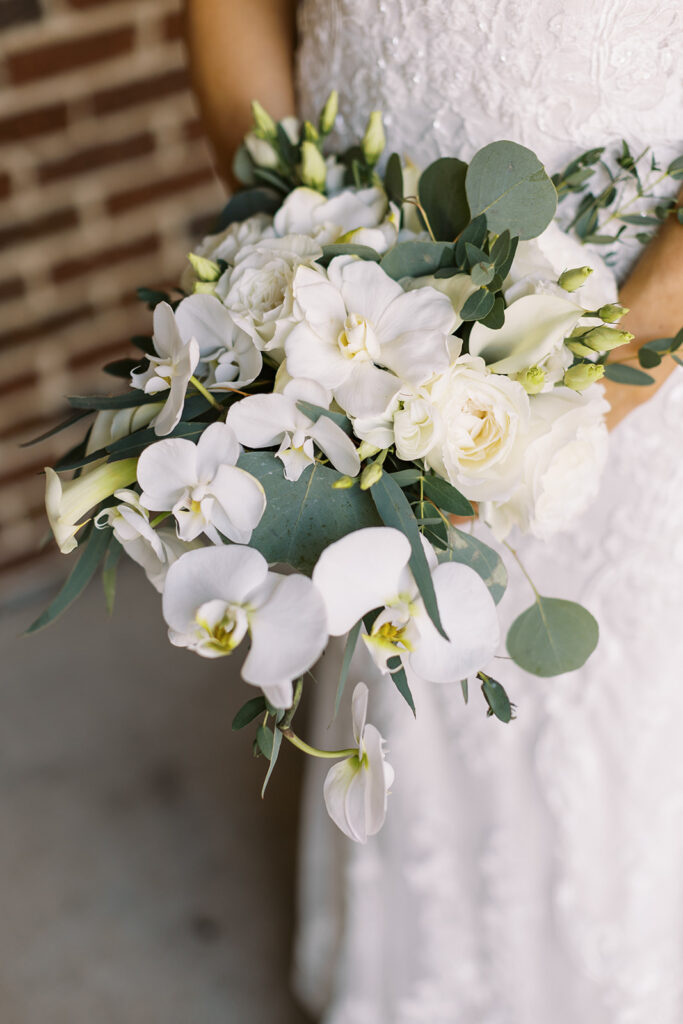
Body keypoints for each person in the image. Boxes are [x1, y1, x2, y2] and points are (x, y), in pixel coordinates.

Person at [184, 2, 683, 1020]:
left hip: (639, 322)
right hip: (358, 330)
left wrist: (568, 399)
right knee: (421, 680)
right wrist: (291, 266)